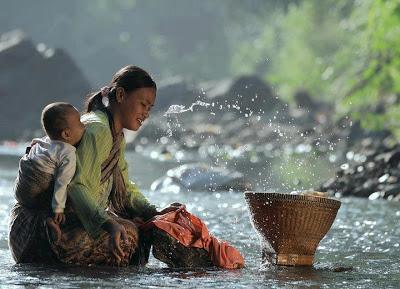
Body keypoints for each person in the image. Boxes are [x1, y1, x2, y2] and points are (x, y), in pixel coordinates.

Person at [9, 65, 162, 266]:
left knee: (138, 227)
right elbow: (77, 186)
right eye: (143, 104)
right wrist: (108, 223)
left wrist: (156, 213)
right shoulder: (98, 130)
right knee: (130, 234)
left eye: (150, 108)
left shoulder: (115, 136)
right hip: (40, 231)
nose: (146, 113)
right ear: (122, 95)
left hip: (41, 228)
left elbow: (125, 190)